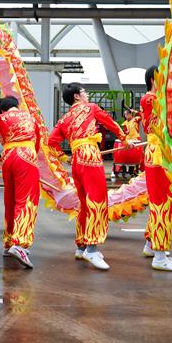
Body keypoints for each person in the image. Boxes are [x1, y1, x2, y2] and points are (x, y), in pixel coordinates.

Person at [48, 84, 126, 270]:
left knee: (84, 203)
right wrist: (125, 138)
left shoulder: (64, 118)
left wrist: (64, 157)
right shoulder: (90, 108)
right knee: (97, 200)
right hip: (90, 155)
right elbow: (110, 122)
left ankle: (82, 246)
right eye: (84, 92)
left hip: (76, 160)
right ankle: (92, 249)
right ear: (77, 96)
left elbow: (51, 143)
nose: (87, 95)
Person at [0, 96, 42, 269]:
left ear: (2, 110)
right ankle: (19, 244)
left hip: (7, 157)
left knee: (11, 200)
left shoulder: (0, 118)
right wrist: (32, 158)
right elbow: (37, 141)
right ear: (17, 106)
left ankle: (9, 242)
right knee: (26, 200)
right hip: (26, 156)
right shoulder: (30, 117)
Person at [139, 66, 172, 272]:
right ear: (153, 80)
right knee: (162, 205)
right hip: (157, 153)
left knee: (160, 202)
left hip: (160, 152)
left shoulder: (152, 99)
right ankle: (159, 255)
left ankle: (151, 245)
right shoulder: (150, 99)